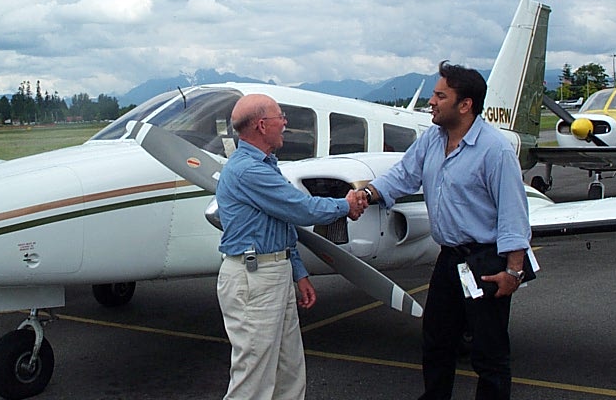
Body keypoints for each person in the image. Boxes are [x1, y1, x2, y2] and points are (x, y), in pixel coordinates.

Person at [360, 61, 531, 400]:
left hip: (485, 263)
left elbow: (514, 214)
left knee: (489, 351)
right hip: (449, 260)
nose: (432, 102)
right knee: (436, 342)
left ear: (465, 104)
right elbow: (402, 175)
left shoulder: (495, 151)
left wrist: (513, 271)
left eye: (440, 95)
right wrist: (366, 194)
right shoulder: (431, 140)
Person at [215, 93, 368, 400]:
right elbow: (300, 209)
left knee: (289, 372)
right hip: (255, 279)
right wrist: (346, 204)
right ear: (261, 125)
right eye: (280, 118)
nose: (285, 124)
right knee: (253, 380)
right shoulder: (249, 170)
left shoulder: (265, 165)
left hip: (271, 272)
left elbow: (281, 221)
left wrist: (297, 271)